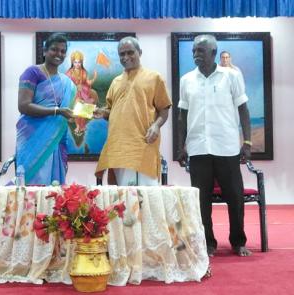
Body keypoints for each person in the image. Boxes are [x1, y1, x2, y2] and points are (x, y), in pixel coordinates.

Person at [177, 34, 252, 257]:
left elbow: (244, 110)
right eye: (193, 51)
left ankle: (238, 241)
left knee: (235, 197)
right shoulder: (186, 80)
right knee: (201, 200)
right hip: (198, 147)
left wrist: (247, 142)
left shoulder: (231, 76)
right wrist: (181, 145)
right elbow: (183, 115)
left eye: (200, 51)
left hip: (226, 146)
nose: (196, 55)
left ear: (213, 53)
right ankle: (208, 243)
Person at [94, 36, 172, 186]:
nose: (126, 57)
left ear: (140, 52)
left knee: (147, 198)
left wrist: (156, 126)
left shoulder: (154, 78)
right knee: (122, 200)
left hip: (143, 145)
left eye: (130, 53)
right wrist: (103, 113)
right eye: (122, 54)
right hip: (118, 148)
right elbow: (112, 111)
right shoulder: (116, 82)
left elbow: (164, 109)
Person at [15, 33, 75, 185]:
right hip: (32, 138)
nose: (59, 54)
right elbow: (23, 105)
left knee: (54, 190)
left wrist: (87, 113)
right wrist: (57, 111)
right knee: (31, 187)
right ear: (44, 51)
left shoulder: (66, 82)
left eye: (62, 51)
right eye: (54, 49)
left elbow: (69, 110)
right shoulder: (33, 72)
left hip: (56, 140)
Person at [65, 51, 98, 135]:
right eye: (75, 62)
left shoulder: (84, 72)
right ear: (72, 62)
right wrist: (75, 88)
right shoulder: (69, 72)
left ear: (81, 62)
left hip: (83, 92)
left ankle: (82, 126)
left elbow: (88, 83)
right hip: (73, 93)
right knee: (77, 105)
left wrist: (94, 77)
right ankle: (78, 126)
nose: (77, 64)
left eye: (79, 62)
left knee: (84, 106)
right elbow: (67, 84)